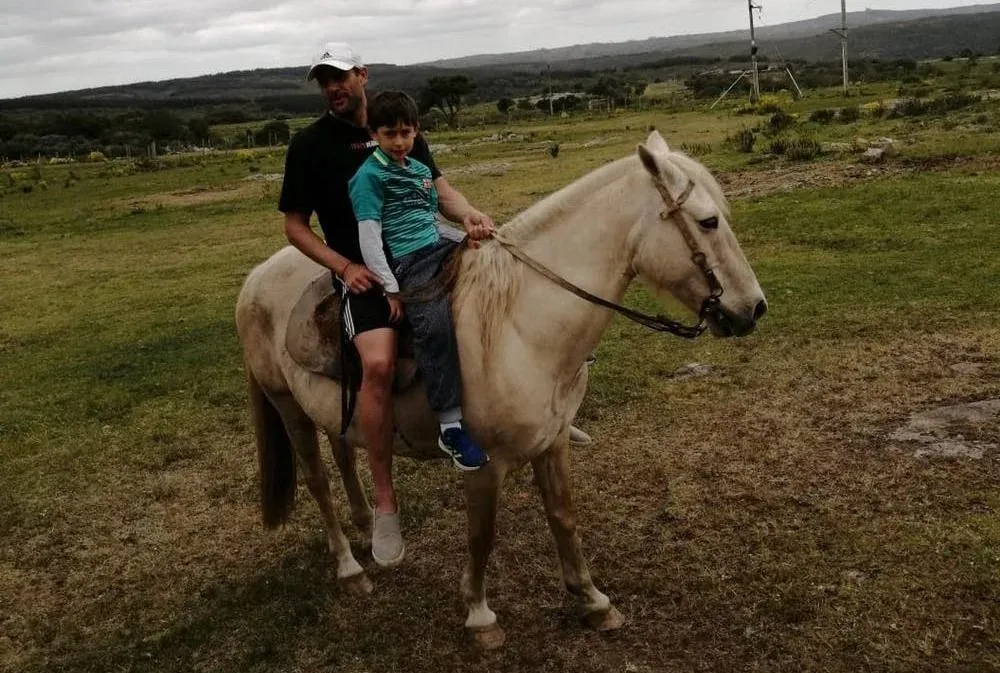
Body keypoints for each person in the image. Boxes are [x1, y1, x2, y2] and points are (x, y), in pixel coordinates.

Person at [278, 42, 497, 568]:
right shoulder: (309, 145)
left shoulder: (400, 125)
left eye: (340, 77)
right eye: (323, 81)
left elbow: (441, 191)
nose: (332, 87)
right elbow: (293, 226)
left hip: (423, 248)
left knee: (495, 295)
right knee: (376, 363)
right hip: (366, 275)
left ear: (362, 75)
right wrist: (345, 267)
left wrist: (469, 215)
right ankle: (385, 503)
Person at [349, 90, 493, 474]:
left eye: (407, 133)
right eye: (390, 134)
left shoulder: (417, 168)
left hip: (439, 241)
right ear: (374, 133)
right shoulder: (368, 177)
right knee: (434, 323)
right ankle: (450, 425)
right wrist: (391, 287)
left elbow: (434, 216)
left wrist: (469, 226)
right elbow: (369, 236)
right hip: (410, 260)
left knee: (499, 263)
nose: (400, 142)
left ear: (417, 132)